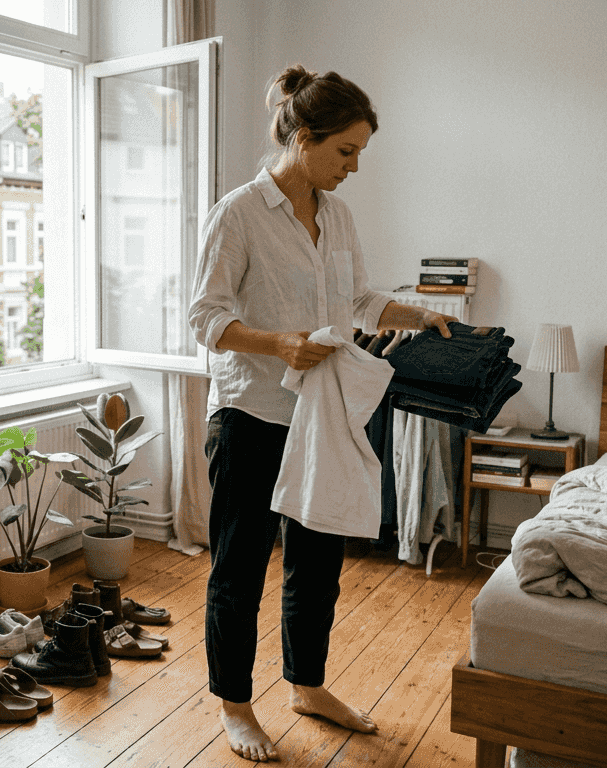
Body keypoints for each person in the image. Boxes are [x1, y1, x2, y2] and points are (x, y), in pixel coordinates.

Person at [187, 64, 455, 763]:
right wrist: (278, 343)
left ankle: (307, 686)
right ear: (304, 138)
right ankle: (236, 705)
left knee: (318, 563)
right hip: (252, 415)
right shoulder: (238, 213)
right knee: (239, 569)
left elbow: (359, 301)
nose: (355, 167)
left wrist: (419, 313)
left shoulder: (337, 216)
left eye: (361, 152)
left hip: (323, 418)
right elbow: (205, 317)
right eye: (345, 151)